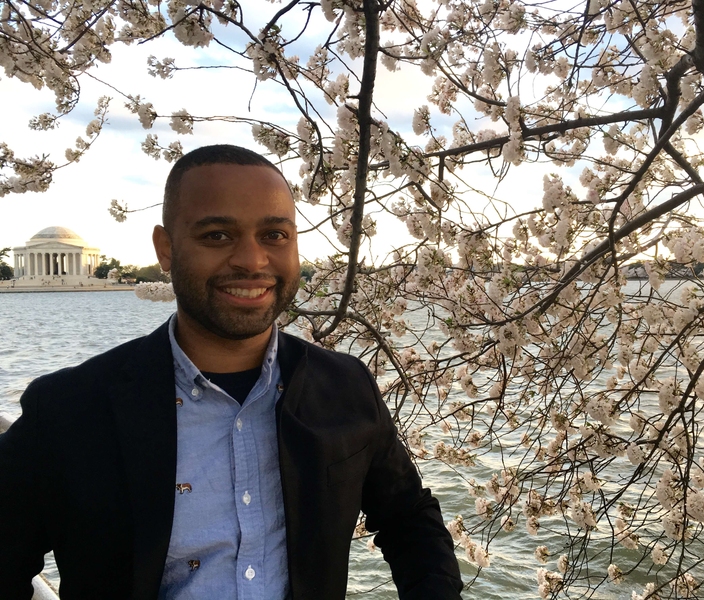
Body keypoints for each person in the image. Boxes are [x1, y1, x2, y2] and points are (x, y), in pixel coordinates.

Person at [0, 145, 463, 600]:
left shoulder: (345, 387)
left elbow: (408, 518)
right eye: (218, 235)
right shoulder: (69, 408)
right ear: (166, 248)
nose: (252, 260)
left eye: (274, 235)